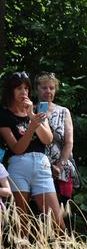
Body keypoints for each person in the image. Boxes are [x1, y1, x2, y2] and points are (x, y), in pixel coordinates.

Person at [0, 71, 64, 232]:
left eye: (26, 88)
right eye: (19, 88)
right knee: (21, 222)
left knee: (57, 222)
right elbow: (17, 148)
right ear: (11, 91)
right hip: (18, 166)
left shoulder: (36, 111)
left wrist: (31, 115)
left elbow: (47, 139)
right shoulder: (4, 115)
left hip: (42, 165)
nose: (24, 92)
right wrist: (31, 127)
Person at [35, 72, 80, 204]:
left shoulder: (63, 111)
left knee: (61, 212)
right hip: (37, 166)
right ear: (37, 88)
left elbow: (69, 142)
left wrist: (59, 167)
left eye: (51, 88)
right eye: (44, 87)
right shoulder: (30, 110)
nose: (48, 91)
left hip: (60, 167)